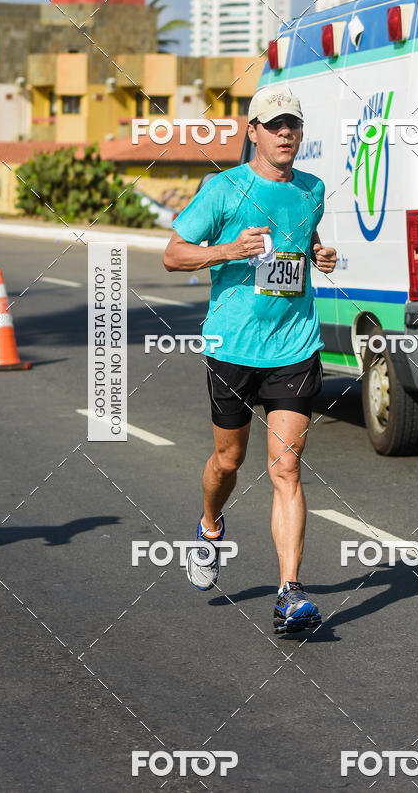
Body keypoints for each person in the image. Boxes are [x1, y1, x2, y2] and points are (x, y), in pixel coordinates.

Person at [163, 85, 337, 633]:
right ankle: (210, 525)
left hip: (295, 344)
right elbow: (173, 255)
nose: (286, 133)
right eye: (275, 124)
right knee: (229, 461)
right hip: (233, 346)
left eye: (293, 124)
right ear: (253, 132)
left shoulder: (312, 189)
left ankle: (290, 593)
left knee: (286, 467)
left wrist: (319, 254)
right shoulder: (223, 189)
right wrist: (229, 250)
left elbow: (302, 240)